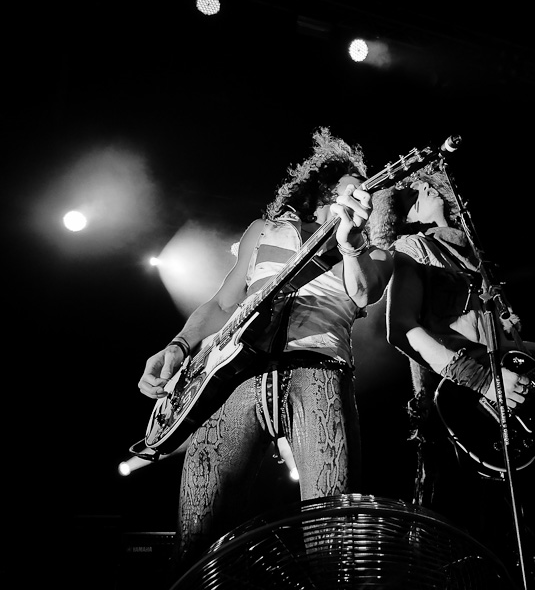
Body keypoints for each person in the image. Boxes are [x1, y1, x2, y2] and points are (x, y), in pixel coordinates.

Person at [137, 127, 393, 576]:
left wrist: (352, 246)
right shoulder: (264, 230)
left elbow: (363, 293)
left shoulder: (376, 250)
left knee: (331, 537)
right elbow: (222, 304)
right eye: (355, 185)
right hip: (233, 377)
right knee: (197, 542)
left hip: (319, 370)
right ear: (325, 188)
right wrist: (178, 345)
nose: (364, 194)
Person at [369, 166, 535, 587]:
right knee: (471, 543)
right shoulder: (414, 247)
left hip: (513, 419)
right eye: (413, 192)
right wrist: (482, 382)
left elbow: (509, 347)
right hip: (459, 414)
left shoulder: (479, 261)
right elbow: (401, 329)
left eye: (426, 184)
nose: (422, 188)